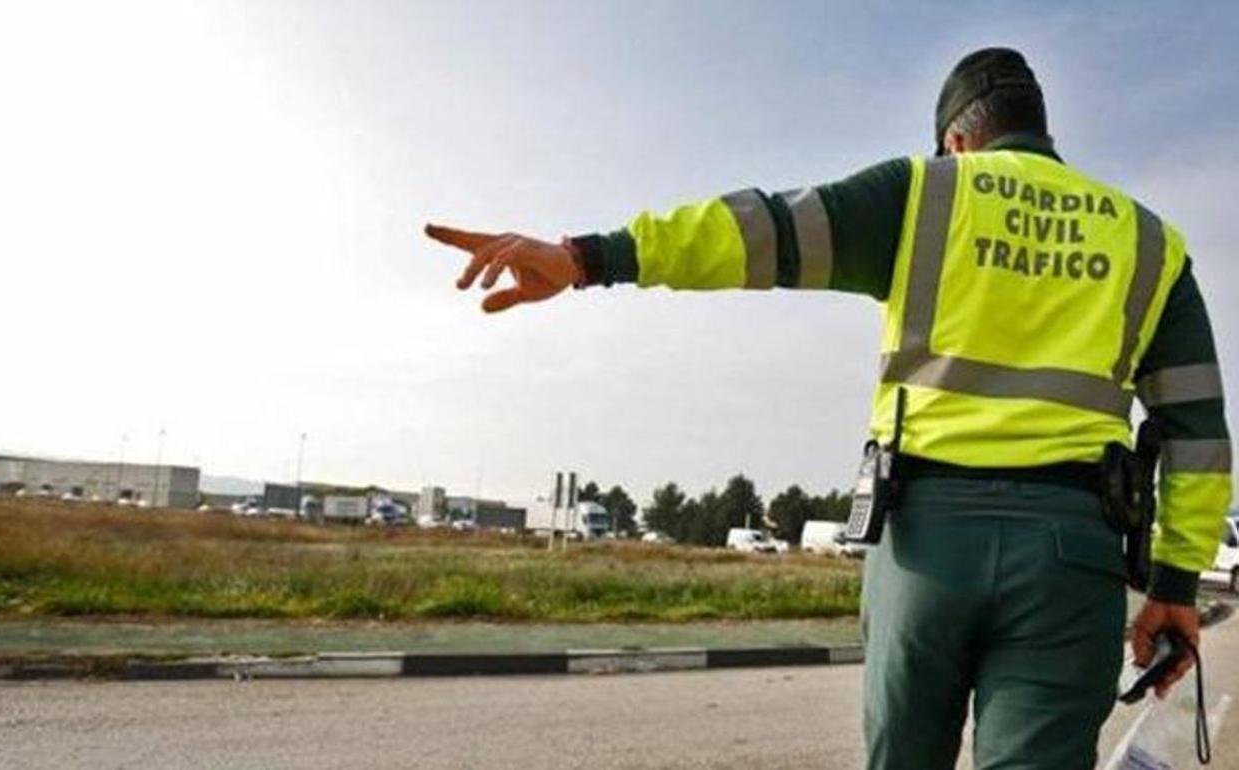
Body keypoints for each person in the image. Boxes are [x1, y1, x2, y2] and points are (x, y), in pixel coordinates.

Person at [426, 47, 1231, 769]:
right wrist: (1174, 585)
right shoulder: (1150, 243)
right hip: (1072, 555)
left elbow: (756, 232)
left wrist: (586, 258)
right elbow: (1197, 432)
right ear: (1040, 131)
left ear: (955, 140)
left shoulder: (924, 195)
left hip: (925, 544)